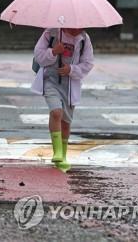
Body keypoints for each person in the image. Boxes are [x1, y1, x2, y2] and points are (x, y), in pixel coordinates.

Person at [31, 28, 94, 172]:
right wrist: (53, 51)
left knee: (66, 122)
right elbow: (38, 55)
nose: (78, 28)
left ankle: (63, 156)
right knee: (56, 113)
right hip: (50, 81)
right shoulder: (51, 33)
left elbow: (88, 63)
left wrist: (71, 69)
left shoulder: (84, 39)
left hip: (70, 86)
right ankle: (57, 152)